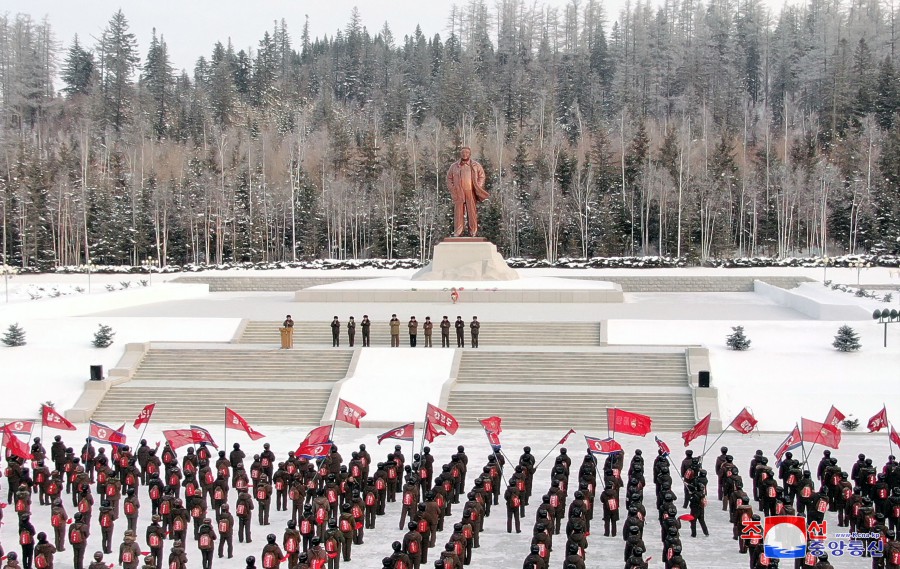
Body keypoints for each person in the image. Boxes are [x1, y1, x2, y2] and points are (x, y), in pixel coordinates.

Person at [446, 146, 488, 237]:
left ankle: (473, 231)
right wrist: (453, 189)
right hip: (459, 192)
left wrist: (478, 186)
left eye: (466, 153)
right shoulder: (454, 166)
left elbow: (482, 176)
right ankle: (458, 231)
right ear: (460, 154)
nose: (465, 154)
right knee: (458, 212)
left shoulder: (476, 165)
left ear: (470, 154)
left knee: (472, 212)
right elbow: (449, 179)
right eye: (463, 153)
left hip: (470, 191)